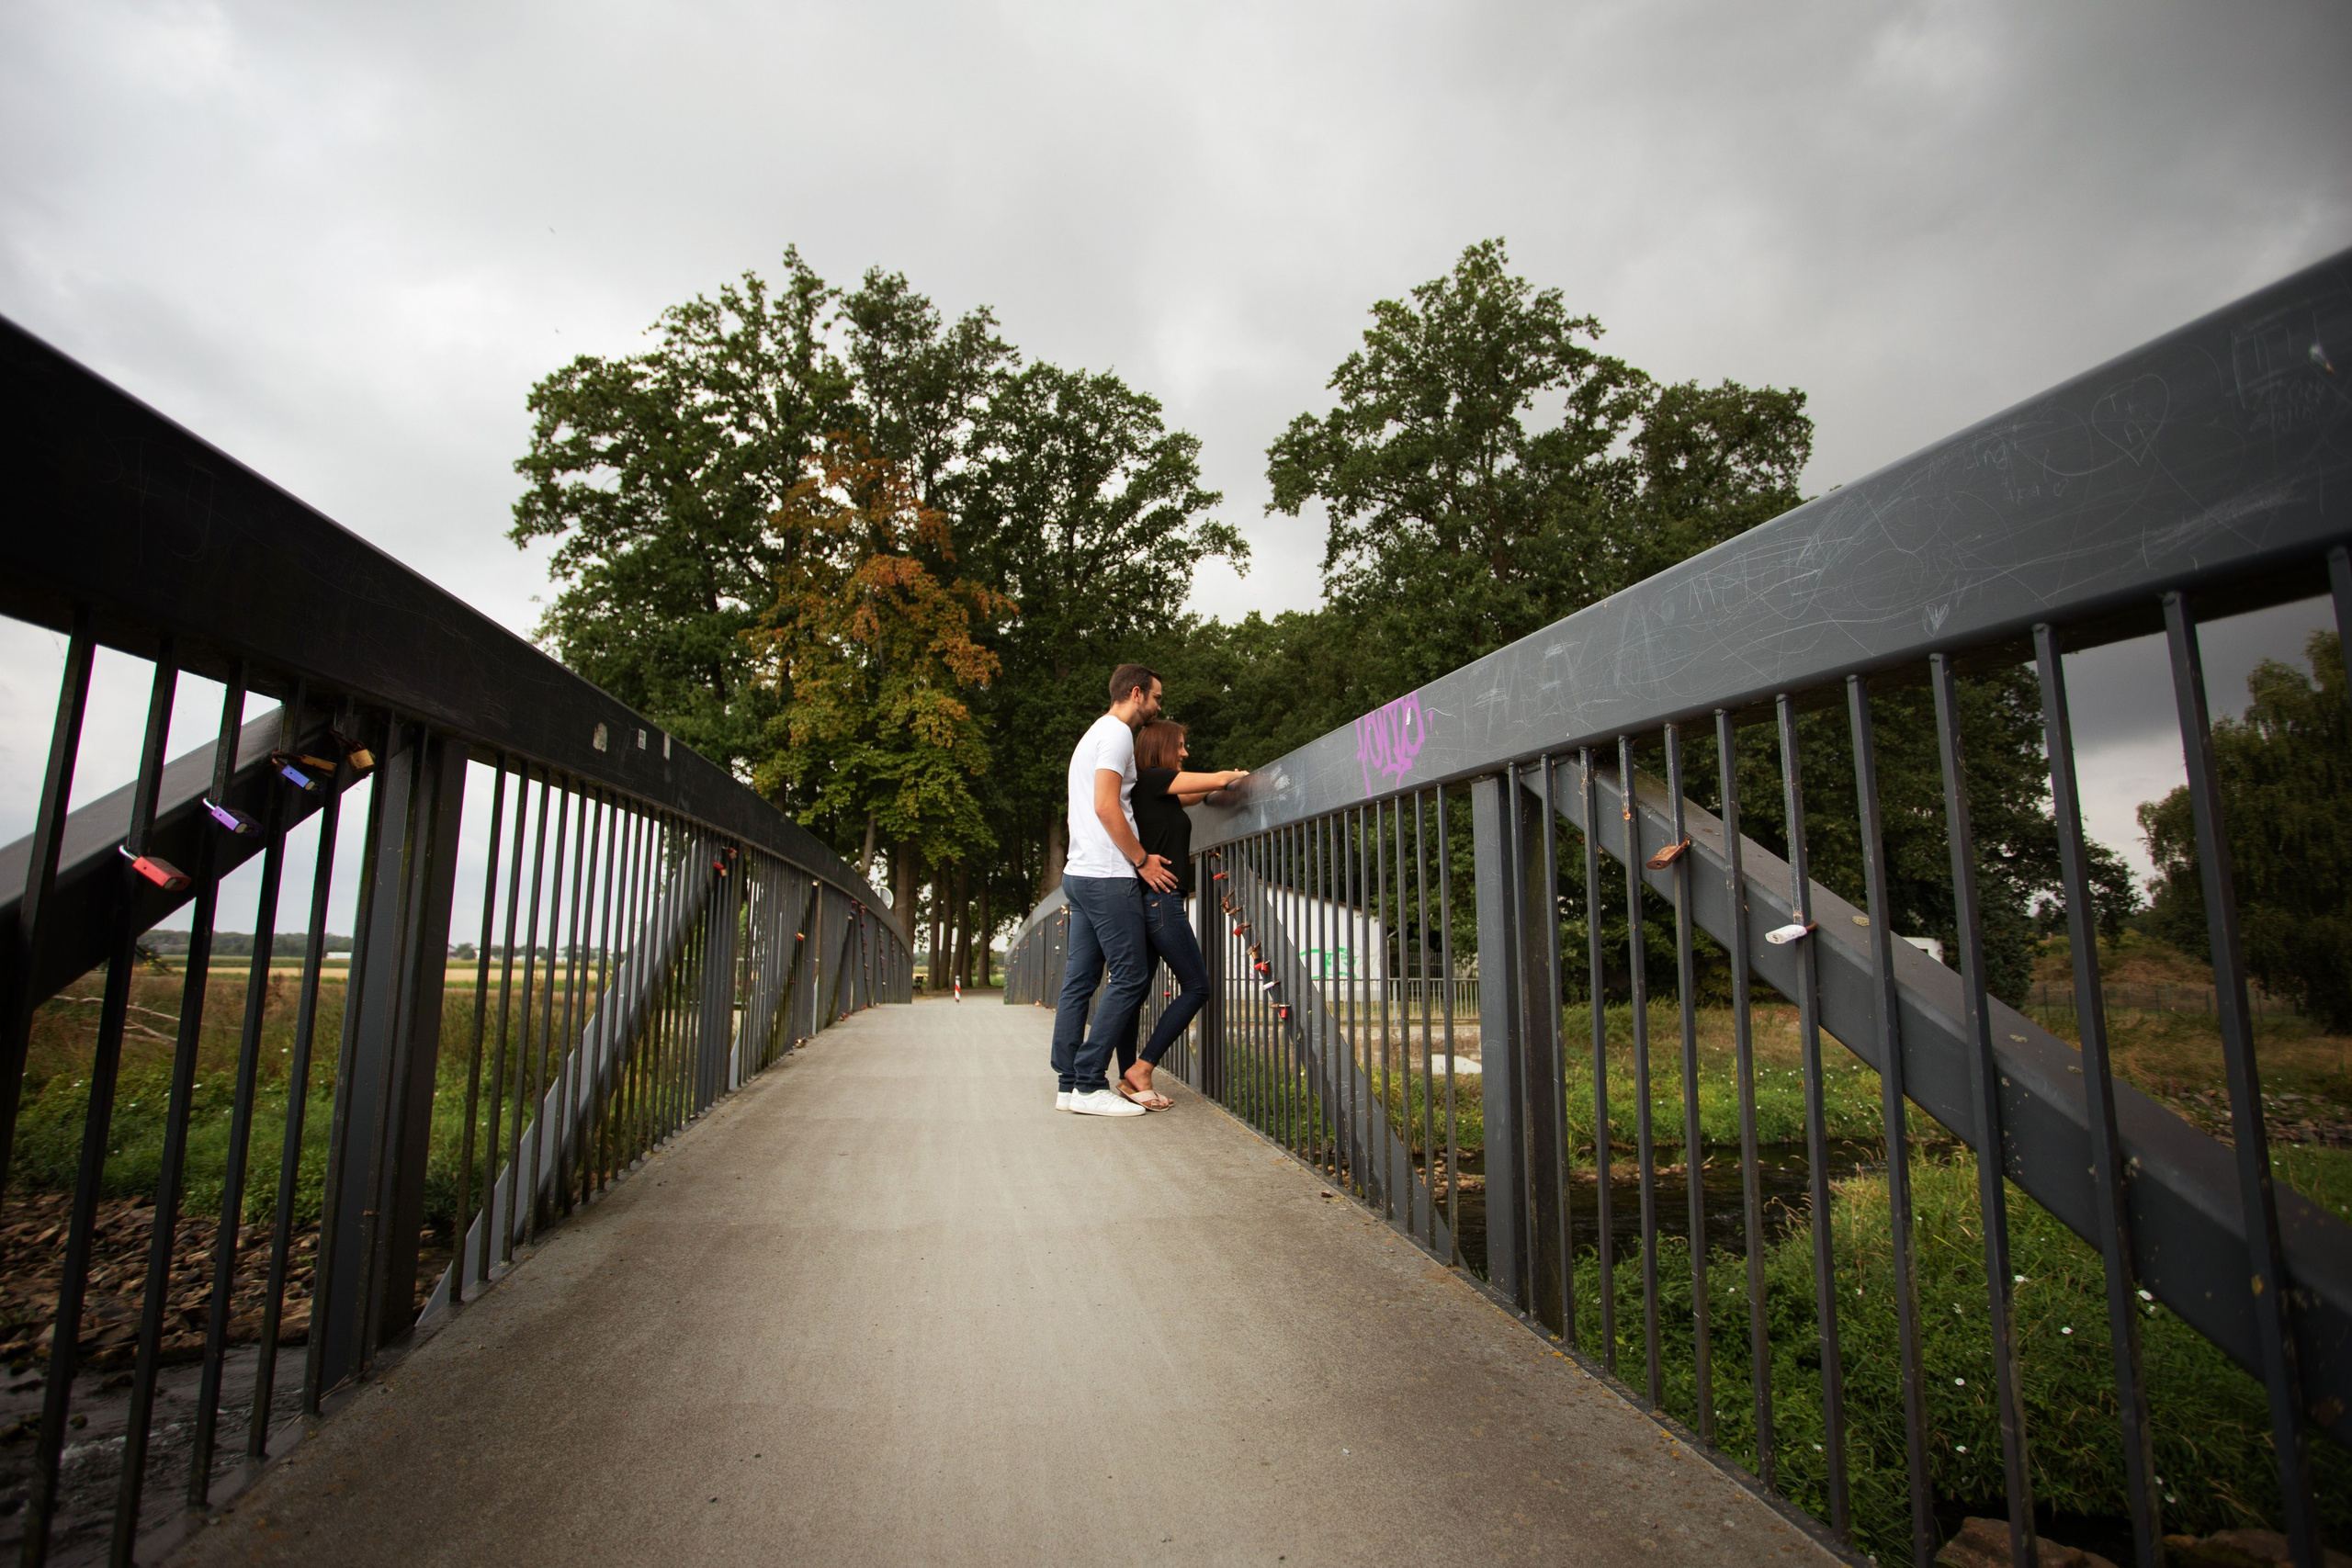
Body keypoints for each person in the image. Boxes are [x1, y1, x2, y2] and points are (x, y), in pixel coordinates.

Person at [1049, 663, 1175, 1117]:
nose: (1159, 707)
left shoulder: (1091, 735)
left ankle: (1068, 1084)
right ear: (1136, 693)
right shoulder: (1119, 734)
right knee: (1131, 976)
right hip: (1106, 875)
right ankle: (1088, 1083)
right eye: (1157, 698)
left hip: (1079, 874)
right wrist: (1141, 860)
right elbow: (1107, 806)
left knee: (1079, 982)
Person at [1116, 720, 1245, 1108]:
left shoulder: (1154, 792)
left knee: (1135, 993)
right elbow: (1215, 779)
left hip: (1147, 901)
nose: (1185, 753)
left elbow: (1194, 794)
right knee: (1197, 987)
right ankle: (1142, 1068)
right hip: (1162, 901)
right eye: (1181, 746)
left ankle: (1129, 1077)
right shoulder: (1154, 778)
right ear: (1161, 749)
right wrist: (1237, 777)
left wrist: (1218, 785)